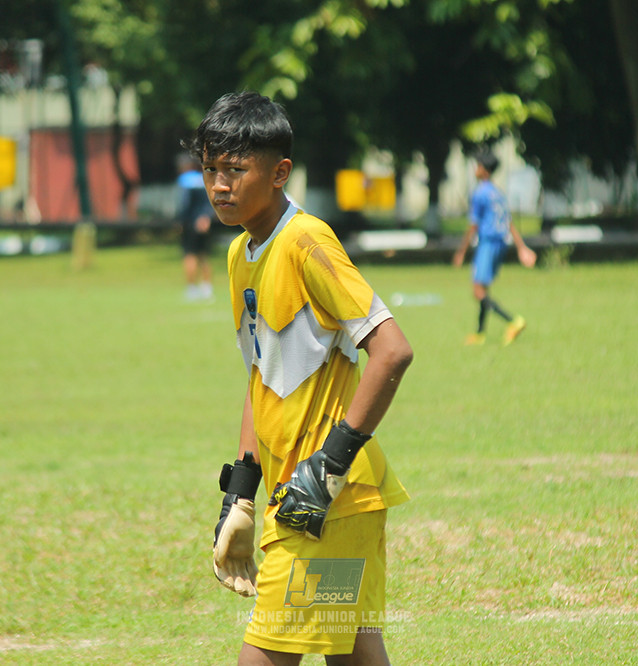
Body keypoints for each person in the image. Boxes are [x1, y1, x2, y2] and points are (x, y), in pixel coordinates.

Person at [188, 91, 413, 665]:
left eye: (235, 170)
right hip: (314, 500)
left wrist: (327, 467)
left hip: (324, 502)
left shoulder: (307, 243)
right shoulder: (241, 254)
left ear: (279, 172)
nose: (219, 185)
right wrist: (241, 491)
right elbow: (261, 374)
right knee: (352, 653)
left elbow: (391, 351)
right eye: (210, 169)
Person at [452, 150, 536, 346]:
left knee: (478, 291)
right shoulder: (498, 193)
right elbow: (509, 222)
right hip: (501, 244)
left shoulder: (480, 193)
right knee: (483, 288)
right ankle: (480, 334)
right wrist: (521, 248)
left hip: (488, 243)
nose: (476, 169)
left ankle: (513, 321)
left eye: (478, 165)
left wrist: (461, 251)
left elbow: (473, 225)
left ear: (484, 169)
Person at [175, 152, 216, 301]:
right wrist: (206, 217)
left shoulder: (184, 180)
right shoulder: (203, 179)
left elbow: (184, 204)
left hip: (190, 223)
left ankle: (191, 288)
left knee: (189, 255)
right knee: (203, 255)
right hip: (204, 222)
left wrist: (180, 221)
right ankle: (207, 287)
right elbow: (210, 202)